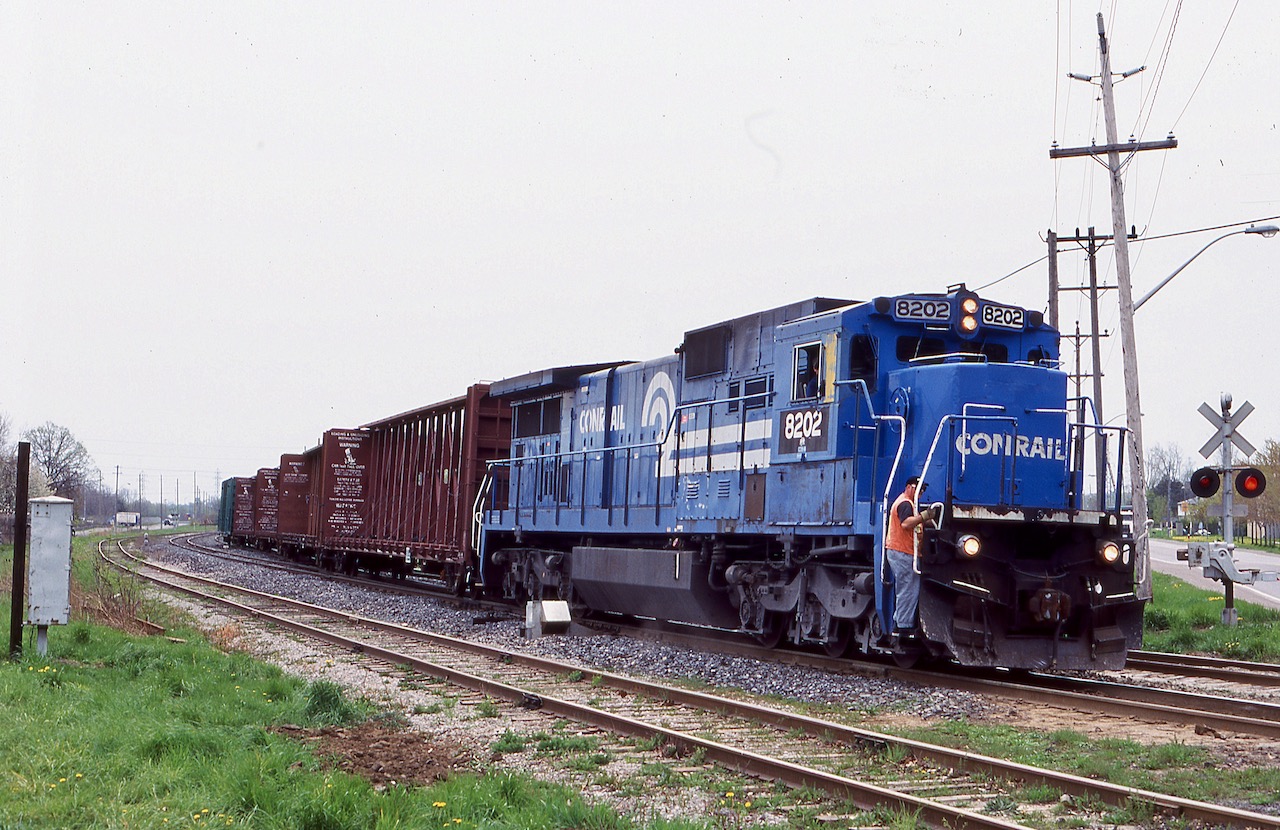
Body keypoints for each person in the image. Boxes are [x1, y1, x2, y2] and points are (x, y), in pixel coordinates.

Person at [884, 476, 937, 639]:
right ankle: (903, 627)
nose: (921, 492)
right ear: (909, 487)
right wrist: (924, 517)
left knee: (906, 587)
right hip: (902, 551)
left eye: (923, 490)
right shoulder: (905, 503)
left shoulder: (908, 504)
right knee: (908, 588)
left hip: (902, 551)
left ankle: (899, 623)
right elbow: (906, 524)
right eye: (919, 489)